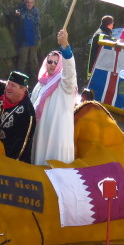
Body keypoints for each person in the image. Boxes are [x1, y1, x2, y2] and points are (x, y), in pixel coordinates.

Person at [30, 29, 78, 166]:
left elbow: (69, 73)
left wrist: (65, 47)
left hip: (58, 136)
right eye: (49, 61)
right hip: (40, 135)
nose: (52, 64)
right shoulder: (40, 83)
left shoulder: (65, 84)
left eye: (56, 62)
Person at [14, 0, 41, 75]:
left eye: (31, 3)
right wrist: (17, 14)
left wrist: (38, 39)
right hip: (24, 41)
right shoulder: (21, 11)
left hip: (34, 40)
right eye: (28, 2)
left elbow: (37, 26)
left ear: (34, 3)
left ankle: (36, 78)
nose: (29, 4)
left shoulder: (36, 11)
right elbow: (15, 15)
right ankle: (19, 79)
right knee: (22, 61)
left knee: (34, 61)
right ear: (25, 3)